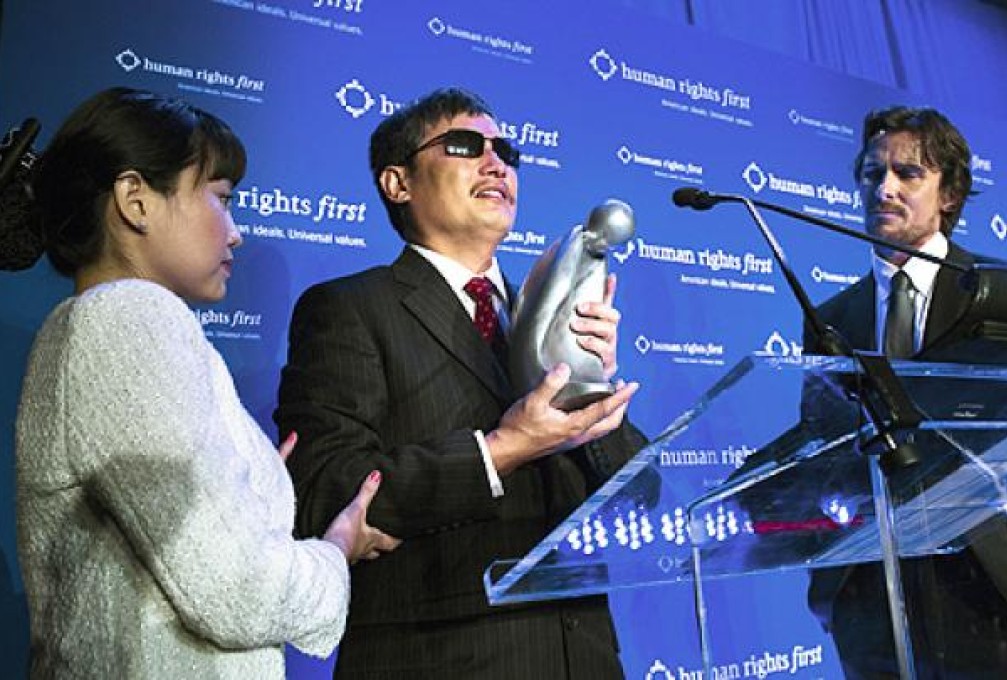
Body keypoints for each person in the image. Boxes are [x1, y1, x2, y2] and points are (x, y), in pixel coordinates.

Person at [3, 87, 399, 679]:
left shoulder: (102, 323)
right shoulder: (127, 319)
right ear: (135, 200)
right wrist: (336, 550)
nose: (235, 231)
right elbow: (235, 588)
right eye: (221, 198)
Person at [275, 86, 648, 679]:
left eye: (505, 150)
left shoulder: (551, 316)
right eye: (464, 145)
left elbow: (645, 500)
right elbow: (324, 491)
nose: (497, 162)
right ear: (398, 183)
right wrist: (501, 450)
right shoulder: (349, 309)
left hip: (584, 657)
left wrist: (598, 405)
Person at [803, 106, 1007, 678]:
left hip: (989, 581)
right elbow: (821, 446)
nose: (885, 188)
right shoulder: (829, 320)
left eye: (908, 173)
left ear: (949, 194)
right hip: (868, 590)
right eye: (873, 175)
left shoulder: (1005, 292)